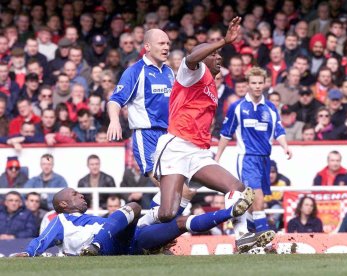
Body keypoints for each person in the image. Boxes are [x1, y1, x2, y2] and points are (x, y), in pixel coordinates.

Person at [152, 17, 274, 251]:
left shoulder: (211, 84)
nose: (219, 57)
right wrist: (224, 41)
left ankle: (242, 237)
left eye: (220, 55)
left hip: (198, 151)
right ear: (204, 58)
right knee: (167, 213)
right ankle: (138, 230)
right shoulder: (192, 74)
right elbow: (191, 57)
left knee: (238, 189)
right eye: (215, 55)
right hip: (176, 146)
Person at [14, 186, 257, 256]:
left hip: (129, 244)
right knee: (133, 206)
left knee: (180, 224)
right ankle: (96, 246)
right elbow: (42, 239)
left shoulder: (95, 219)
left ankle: (231, 213)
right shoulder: (62, 220)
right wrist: (28, 253)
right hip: (107, 246)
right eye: (75, 194)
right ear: (64, 204)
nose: (81, 195)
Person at [216, 66, 292, 233]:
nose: (257, 86)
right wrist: (218, 157)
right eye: (254, 83)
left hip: (265, 159)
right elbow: (226, 133)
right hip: (247, 158)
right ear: (248, 85)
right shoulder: (237, 107)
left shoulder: (271, 108)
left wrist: (285, 146)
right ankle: (264, 238)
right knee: (257, 197)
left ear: (265, 84)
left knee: (254, 203)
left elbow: (278, 130)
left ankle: (248, 231)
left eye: (260, 83)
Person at [107, 28, 174, 185]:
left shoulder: (169, 72)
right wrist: (114, 121)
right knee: (166, 186)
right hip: (147, 135)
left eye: (168, 44)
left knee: (177, 190)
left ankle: (156, 210)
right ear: (148, 46)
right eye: (161, 43)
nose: (166, 47)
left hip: (169, 135)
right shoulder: (135, 71)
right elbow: (115, 100)